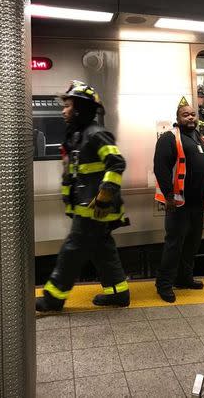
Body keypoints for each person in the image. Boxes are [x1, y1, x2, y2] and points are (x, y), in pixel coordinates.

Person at [36, 80, 130, 312]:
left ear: (79, 108)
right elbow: (76, 175)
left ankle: (53, 298)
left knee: (71, 251)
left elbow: (116, 164)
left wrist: (104, 197)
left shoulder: (96, 134)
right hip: (86, 208)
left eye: (67, 105)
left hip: (94, 209)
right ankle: (119, 293)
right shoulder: (78, 136)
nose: (63, 110)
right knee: (102, 250)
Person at [154, 96, 204, 303]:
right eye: (185, 114)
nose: (190, 117)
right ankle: (163, 284)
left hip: (197, 202)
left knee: (192, 243)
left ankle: (184, 278)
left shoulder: (200, 138)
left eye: (192, 114)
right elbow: (160, 168)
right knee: (174, 244)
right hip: (178, 203)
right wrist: (169, 196)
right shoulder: (169, 138)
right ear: (177, 118)